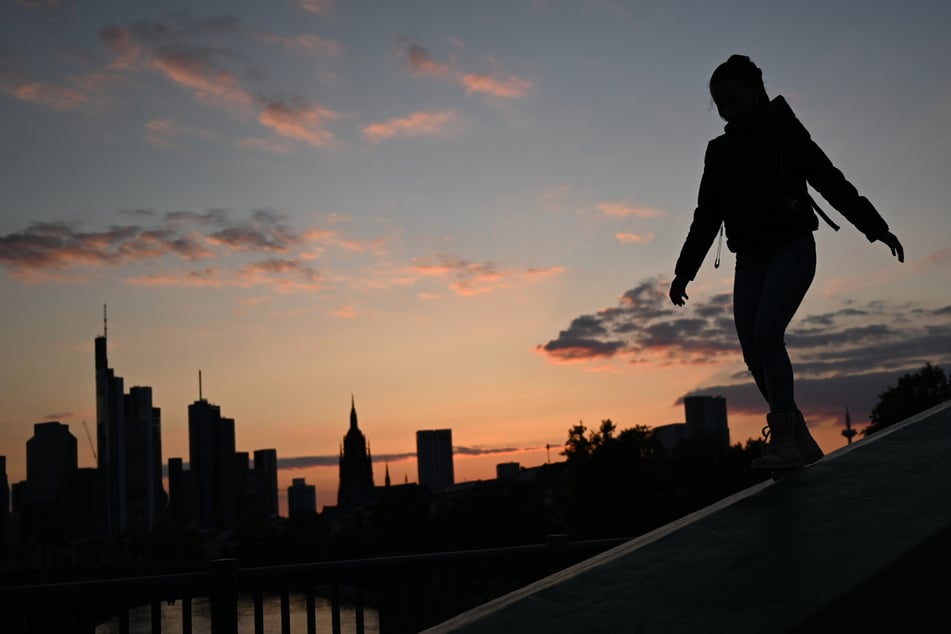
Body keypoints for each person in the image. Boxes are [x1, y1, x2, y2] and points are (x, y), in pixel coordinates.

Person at [669, 55, 904, 471]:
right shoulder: (718, 152)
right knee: (752, 351)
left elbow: (827, 177)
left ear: (757, 92)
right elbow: (706, 214)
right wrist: (684, 271)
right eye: (720, 104)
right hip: (750, 261)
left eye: (735, 100)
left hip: (793, 249)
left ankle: (783, 438)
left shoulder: (782, 131)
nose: (728, 110)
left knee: (766, 334)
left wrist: (875, 227)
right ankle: (800, 439)